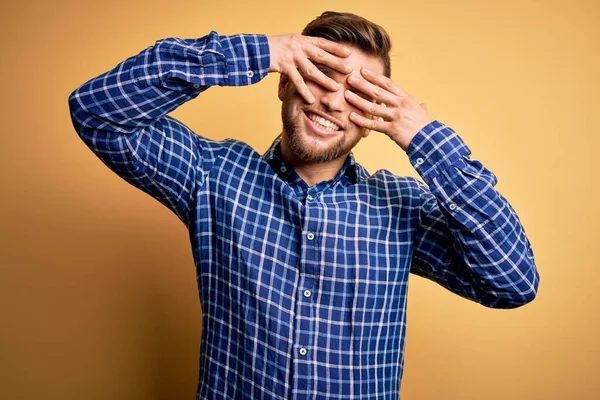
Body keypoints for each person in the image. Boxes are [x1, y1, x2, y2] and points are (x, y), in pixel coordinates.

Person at [68, 10, 540, 400]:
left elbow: (513, 281)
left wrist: (426, 140)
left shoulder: (402, 208)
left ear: (376, 116)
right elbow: (97, 110)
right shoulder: (212, 175)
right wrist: (261, 51)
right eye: (321, 77)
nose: (334, 102)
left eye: (358, 93)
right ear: (284, 82)